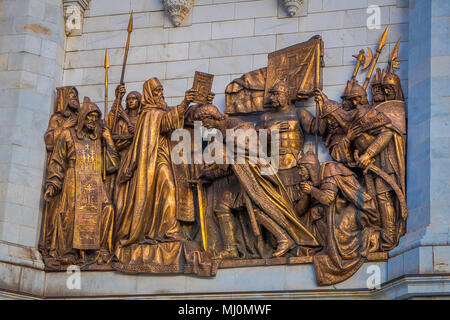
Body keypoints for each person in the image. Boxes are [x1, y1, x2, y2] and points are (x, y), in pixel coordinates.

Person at [194, 104, 320, 259]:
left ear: (213, 117)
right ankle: (231, 249)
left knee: (258, 207)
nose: (203, 124)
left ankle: (284, 238)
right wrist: (208, 174)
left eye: (204, 119)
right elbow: (226, 164)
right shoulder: (217, 135)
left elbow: (248, 146)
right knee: (222, 206)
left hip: (255, 173)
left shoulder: (233, 124)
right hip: (241, 176)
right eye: (200, 121)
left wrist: (226, 149)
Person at [112, 77, 197, 272]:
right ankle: (169, 231)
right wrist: (184, 102)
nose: (161, 93)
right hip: (154, 161)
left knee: (166, 191)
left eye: (161, 90)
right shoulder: (150, 113)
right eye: (157, 90)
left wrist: (198, 103)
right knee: (168, 188)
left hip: (165, 157)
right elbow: (167, 124)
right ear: (150, 93)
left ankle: (160, 230)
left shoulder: (158, 111)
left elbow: (175, 122)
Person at [43, 98, 119, 267]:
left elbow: (113, 165)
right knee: (70, 214)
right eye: (90, 117)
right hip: (73, 179)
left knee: (107, 209)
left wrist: (108, 139)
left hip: (94, 181)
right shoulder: (67, 135)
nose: (92, 121)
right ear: (83, 117)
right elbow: (57, 161)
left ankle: (101, 250)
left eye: (95, 118)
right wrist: (52, 185)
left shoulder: (98, 139)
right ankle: (69, 253)